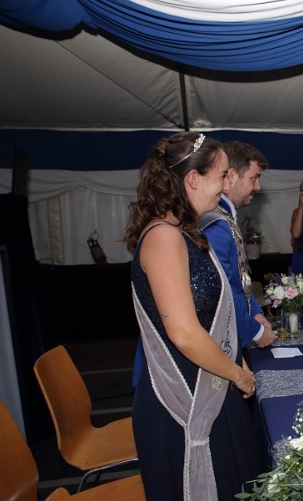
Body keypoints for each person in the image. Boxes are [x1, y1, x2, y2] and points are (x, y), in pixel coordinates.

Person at [124, 132, 262, 500]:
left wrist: (236, 361)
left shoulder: (187, 233)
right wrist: (238, 375)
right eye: (222, 175)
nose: (226, 185)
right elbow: (184, 332)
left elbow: (215, 313)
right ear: (193, 179)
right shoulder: (164, 238)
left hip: (210, 381)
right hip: (182, 398)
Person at [199, 140, 275, 349]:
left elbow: (239, 280)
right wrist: (254, 331)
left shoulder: (224, 218)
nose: (258, 187)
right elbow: (222, 292)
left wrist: (255, 312)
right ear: (231, 176)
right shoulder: (214, 223)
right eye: (254, 178)